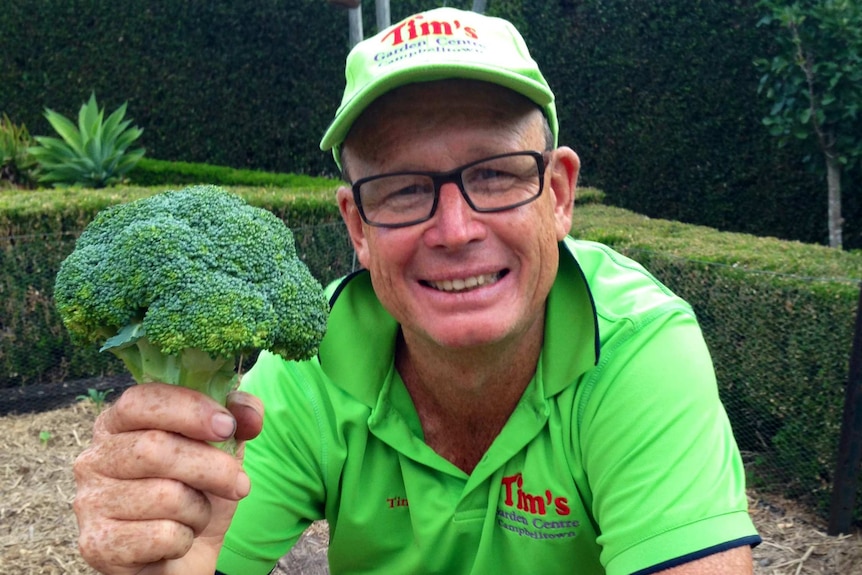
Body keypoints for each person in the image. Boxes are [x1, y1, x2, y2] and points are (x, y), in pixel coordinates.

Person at [72, 7, 761, 575]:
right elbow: (201, 557)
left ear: (557, 194)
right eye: (403, 189)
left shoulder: (639, 346)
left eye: (494, 174)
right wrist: (159, 558)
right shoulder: (304, 369)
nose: (455, 229)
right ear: (357, 225)